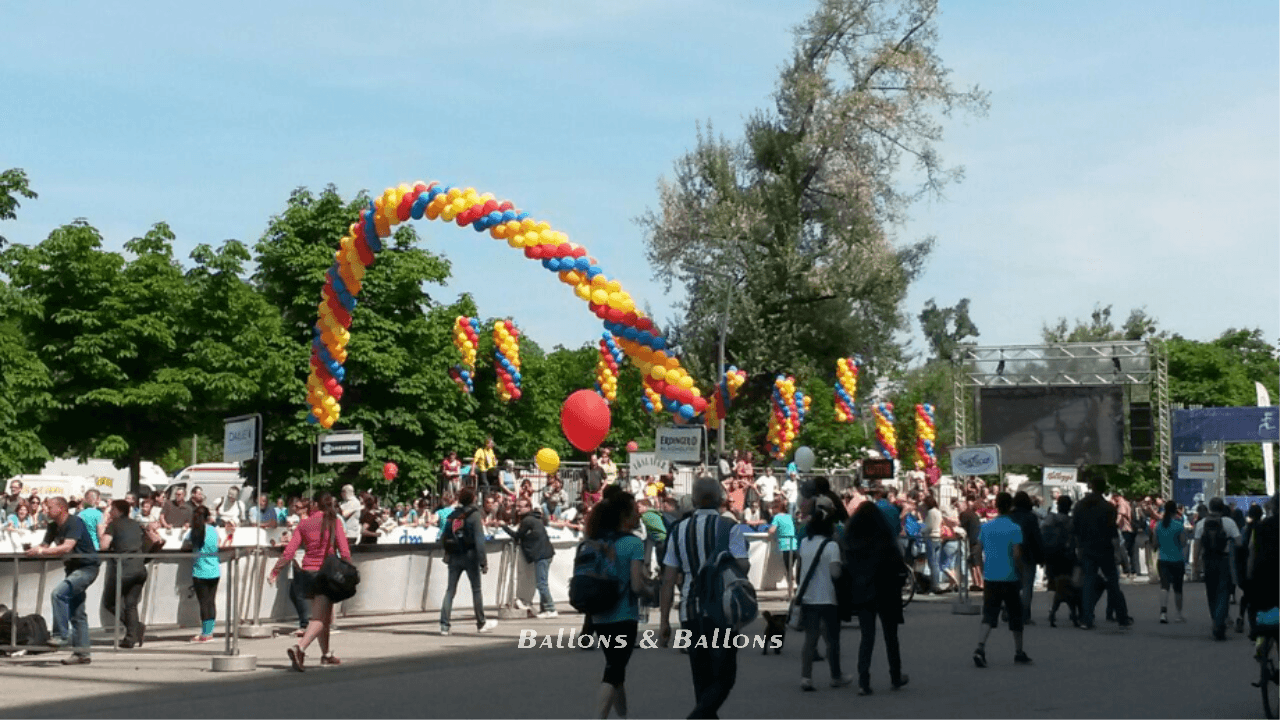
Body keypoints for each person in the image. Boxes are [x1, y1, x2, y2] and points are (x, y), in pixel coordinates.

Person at [659, 476, 750, 719]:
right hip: (722, 612)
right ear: (720, 499)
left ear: (695, 500)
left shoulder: (678, 530)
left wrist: (664, 622)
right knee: (725, 677)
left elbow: (668, 579)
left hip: (690, 612)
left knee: (702, 680)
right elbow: (743, 566)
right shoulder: (730, 527)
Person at [585, 492, 651, 720]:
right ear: (624, 515)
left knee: (616, 668)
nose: (638, 513)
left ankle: (623, 716)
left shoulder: (594, 541)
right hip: (624, 616)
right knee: (613, 671)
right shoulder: (633, 543)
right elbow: (636, 585)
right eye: (634, 509)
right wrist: (651, 591)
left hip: (599, 616)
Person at [270, 492, 351, 670]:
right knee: (320, 618)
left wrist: (276, 570)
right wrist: (348, 569)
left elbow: (290, 551)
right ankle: (300, 647)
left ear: (315, 504)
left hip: (307, 572)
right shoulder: (333, 521)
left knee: (324, 614)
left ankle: (326, 654)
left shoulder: (304, 524)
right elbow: (344, 551)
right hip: (326, 573)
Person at [26, 496, 99, 664]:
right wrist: (34, 549)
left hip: (87, 568)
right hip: (72, 569)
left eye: (49, 507)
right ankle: (82, 654)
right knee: (77, 611)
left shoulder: (74, 522)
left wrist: (41, 552)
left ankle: (60, 636)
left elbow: (66, 547)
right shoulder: (52, 526)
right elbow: (44, 546)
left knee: (58, 594)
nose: (45, 510)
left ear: (61, 508)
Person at [846, 501, 909, 694]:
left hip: (864, 591)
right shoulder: (885, 538)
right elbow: (900, 566)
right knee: (891, 636)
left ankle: (863, 681)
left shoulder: (853, 541)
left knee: (867, 637)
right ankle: (895, 676)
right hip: (886, 591)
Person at [795, 502, 854, 691]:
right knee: (832, 641)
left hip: (808, 597)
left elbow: (799, 568)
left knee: (810, 640)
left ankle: (806, 677)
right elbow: (835, 573)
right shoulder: (831, 546)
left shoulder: (804, 543)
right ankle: (835, 676)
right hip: (828, 598)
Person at [972, 492, 1031, 668]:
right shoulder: (1014, 528)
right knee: (1015, 615)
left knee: (989, 614)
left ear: (996, 506)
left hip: (991, 576)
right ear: (1011, 506)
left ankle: (980, 647)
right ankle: (1019, 651)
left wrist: (982, 570)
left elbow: (976, 551)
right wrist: (1021, 573)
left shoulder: (986, 527)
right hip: (1010, 577)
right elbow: (1016, 554)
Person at [1072, 473, 1132, 629]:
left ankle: (1086, 618)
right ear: (1104, 489)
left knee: (1088, 582)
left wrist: (1078, 547)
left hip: (1086, 548)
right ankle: (1121, 616)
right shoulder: (1108, 508)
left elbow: (1075, 529)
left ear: (1091, 487)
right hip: (1104, 548)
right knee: (1113, 582)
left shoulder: (1080, 505)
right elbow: (1113, 532)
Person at [439, 487, 496, 635]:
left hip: (454, 556)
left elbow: (444, 536)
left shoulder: (454, 514)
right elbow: (479, 540)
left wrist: (448, 554)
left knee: (450, 590)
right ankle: (481, 623)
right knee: (476, 590)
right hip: (470, 556)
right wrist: (483, 561)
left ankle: (444, 625)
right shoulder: (474, 515)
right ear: (473, 499)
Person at [100, 499, 147, 648]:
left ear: (119, 510)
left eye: (112, 509)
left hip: (124, 569)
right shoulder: (135, 524)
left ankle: (135, 629)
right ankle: (131, 636)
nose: (110, 512)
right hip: (139, 567)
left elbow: (103, 546)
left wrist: (102, 529)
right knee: (131, 604)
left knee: (109, 602)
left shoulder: (113, 525)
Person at [1193, 497, 1240, 640]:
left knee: (1211, 592)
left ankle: (1215, 620)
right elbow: (1238, 542)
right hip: (1223, 560)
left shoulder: (1201, 524)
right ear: (1222, 508)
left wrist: (1196, 566)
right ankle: (1220, 622)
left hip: (1208, 560)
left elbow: (1197, 547)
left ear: (1210, 508)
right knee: (1223, 592)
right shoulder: (1229, 522)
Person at [503, 497, 557, 618]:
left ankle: (551, 608)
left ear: (528, 507)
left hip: (542, 554)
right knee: (542, 582)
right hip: (545, 553)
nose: (517, 509)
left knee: (541, 583)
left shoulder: (527, 520)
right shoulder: (533, 518)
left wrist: (503, 526)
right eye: (517, 506)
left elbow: (517, 535)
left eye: (520, 507)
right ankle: (545, 609)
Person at [185, 506, 224, 643]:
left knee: (203, 603)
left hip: (200, 570)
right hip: (214, 569)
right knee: (211, 602)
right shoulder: (213, 530)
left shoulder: (193, 532)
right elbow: (219, 543)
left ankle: (205, 633)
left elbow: (186, 543)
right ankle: (209, 631)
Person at [1041, 495, 1079, 627]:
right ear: (1069, 507)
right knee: (1068, 583)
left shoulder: (1050, 519)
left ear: (1058, 506)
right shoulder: (1072, 521)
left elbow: (1043, 534)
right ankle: (1073, 611)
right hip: (1067, 556)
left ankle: (1051, 609)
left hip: (1052, 555)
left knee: (1052, 583)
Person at [1009, 491, 1045, 624]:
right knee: (1027, 586)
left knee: (1013, 584)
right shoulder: (1031, 517)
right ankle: (1024, 615)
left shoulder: (1010, 517)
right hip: (1028, 555)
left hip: (1011, 553)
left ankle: (1009, 611)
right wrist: (1041, 557)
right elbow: (1036, 538)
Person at [1154, 499, 1187, 624]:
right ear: (1176, 510)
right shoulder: (1179, 525)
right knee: (1178, 588)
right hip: (1177, 559)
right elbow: (1183, 542)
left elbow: (1155, 543)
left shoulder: (1159, 525)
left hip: (1163, 559)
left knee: (1164, 586)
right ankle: (1178, 614)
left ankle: (1163, 612)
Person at [767, 497, 799, 599]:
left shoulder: (777, 517)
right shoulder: (789, 517)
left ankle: (790, 593)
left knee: (788, 570)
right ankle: (794, 589)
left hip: (786, 546)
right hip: (794, 544)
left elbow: (771, 530)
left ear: (776, 508)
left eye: (772, 508)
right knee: (791, 569)